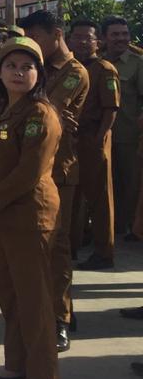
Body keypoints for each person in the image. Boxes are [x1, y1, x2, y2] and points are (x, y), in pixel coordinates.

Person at [0, 37, 62, 379]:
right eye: (11, 66)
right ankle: (15, 364)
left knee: (33, 297)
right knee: (8, 293)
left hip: (27, 216)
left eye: (27, 67)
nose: (19, 73)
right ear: (0, 71)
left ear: (39, 74)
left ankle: (41, 375)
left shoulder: (40, 114)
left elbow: (30, 171)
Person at [20, 10, 89, 353]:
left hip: (59, 171)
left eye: (38, 37)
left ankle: (59, 318)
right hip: (34, 169)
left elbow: (46, 110)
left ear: (56, 33)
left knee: (56, 249)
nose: (33, 45)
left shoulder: (74, 72)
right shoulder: (40, 70)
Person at [68, 20, 119, 270]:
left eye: (87, 38)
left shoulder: (105, 69)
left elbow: (111, 109)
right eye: (77, 37)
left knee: (100, 198)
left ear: (97, 41)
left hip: (94, 136)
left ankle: (103, 251)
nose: (82, 42)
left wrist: (99, 140)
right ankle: (71, 247)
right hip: (70, 139)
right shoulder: (70, 69)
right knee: (72, 196)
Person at [100, 16, 142, 239]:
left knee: (131, 184)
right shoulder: (96, 63)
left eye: (124, 34)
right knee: (104, 186)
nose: (121, 39)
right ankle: (111, 227)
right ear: (104, 37)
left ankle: (132, 229)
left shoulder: (138, 63)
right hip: (100, 136)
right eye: (115, 34)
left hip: (129, 137)